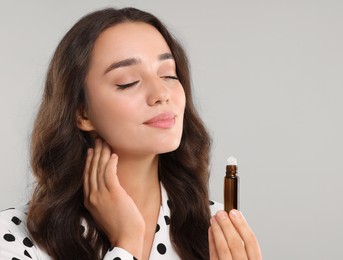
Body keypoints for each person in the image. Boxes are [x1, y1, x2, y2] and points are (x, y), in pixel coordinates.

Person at [0, 7, 262, 260]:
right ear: (82, 113)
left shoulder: (217, 227)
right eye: (128, 82)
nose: (161, 94)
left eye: (169, 75)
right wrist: (127, 243)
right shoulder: (14, 236)